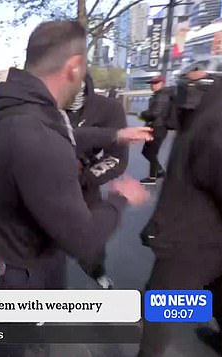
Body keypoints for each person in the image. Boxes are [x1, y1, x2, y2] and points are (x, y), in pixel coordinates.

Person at [0, 20, 151, 356]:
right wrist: (118, 198)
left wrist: (114, 136)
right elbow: (83, 237)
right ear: (74, 67)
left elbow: (69, 135)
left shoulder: (14, 108)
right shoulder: (36, 131)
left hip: (11, 254)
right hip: (22, 273)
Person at [138, 66, 222, 357]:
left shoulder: (217, 137)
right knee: (216, 287)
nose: (185, 90)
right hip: (208, 242)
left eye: (194, 83)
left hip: (193, 245)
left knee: (158, 304)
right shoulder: (195, 126)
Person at [66, 73, 129, 289]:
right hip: (44, 183)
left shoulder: (108, 109)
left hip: (85, 184)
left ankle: (98, 272)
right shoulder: (39, 106)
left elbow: (118, 158)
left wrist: (85, 176)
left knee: (92, 240)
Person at [140, 75, 172, 185]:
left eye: (156, 83)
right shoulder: (158, 95)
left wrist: (143, 114)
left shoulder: (162, 96)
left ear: (162, 83)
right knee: (146, 152)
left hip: (159, 128)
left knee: (151, 152)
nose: (152, 85)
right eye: (152, 83)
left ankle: (152, 177)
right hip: (154, 127)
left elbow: (155, 113)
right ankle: (159, 171)